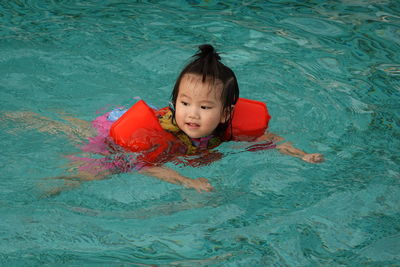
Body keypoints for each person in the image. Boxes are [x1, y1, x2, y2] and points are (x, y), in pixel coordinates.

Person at [4, 44, 324, 195]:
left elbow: (271, 139)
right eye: (184, 103)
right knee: (100, 169)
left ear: (226, 113)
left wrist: (301, 155)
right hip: (124, 134)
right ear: (174, 103)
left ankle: (41, 120)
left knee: (72, 128)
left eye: (205, 107)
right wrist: (186, 181)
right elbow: (145, 164)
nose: (192, 114)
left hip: (136, 133)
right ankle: (51, 185)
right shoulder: (169, 133)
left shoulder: (228, 130)